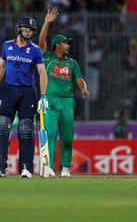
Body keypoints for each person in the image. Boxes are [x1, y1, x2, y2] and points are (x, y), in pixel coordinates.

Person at [0, 16, 48, 179]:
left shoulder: (35, 50)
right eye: (26, 28)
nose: (28, 31)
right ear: (19, 28)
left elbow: (42, 72)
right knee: (0, 127)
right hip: (9, 90)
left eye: (31, 30)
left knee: (26, 130)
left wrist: (43, 96)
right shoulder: (7, 46)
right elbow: (1, 67)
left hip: (27, 92)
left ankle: (26, 168)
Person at [38, 9, 90, 177]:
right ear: (57, 45)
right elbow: (40, 43)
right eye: (65, 43)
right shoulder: (47, 58)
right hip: (50, 102)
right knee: (51, 134)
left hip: (68, 101)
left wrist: (83, 88)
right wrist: (46, 23)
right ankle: (50, 167)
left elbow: (79, 79)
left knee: (67, 137)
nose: (68, 45)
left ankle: (65, 167)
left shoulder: (72, 63)